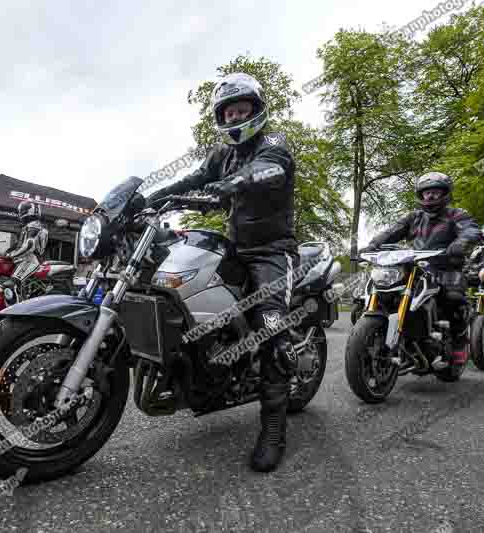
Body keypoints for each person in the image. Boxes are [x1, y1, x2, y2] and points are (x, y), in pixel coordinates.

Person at [147, 72, 298, 472]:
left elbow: (269, 169)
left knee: (272, 333)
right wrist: (148, 199)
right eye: (228, 111)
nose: (234, 117)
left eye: (241, 109)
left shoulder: (273, 142)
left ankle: (273, 431)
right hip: (234, 247)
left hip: (271, 252)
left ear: (256, 110)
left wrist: (229, 186)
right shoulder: (221, 154)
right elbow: (193, 179)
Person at [360, 172, 480, 369]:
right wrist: (373, 245)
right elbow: (391, 232)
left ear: (445, 194)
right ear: (420, 195)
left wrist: (462, 242)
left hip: (445, 267)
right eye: (426, 193)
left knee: (453, 298)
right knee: (385, 292)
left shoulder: (457, 214)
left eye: (435, 192)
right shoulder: (413, 217)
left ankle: (458, 343)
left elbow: (470, 229)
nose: (430, 197)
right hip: (416, 266)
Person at [0, 201, 48, 338]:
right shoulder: (28, 226)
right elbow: (18, 245)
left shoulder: (34, 226)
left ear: (28, 211)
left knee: (10, 286)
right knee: (1, 281)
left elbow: (29, 246)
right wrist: (4, 253)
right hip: (23, 259)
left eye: (23, 210)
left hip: (30, 260)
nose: (21, 213)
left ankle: (12, 323)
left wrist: (11, 255)